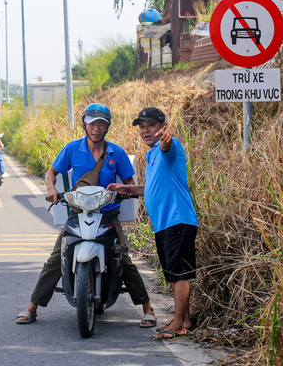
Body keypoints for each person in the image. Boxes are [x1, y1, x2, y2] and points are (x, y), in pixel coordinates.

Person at [15, 103, 157, 327]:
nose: (96, 128)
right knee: (56, 258)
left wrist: (125, 191)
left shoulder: (115, 153)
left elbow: (129, 182)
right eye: (92, 123)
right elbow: (52, 173)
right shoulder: (72, 149)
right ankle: (32, 307)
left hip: (108, 215)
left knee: (123, 259)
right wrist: (51, 189)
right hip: (77, 214)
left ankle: (147, 307)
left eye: (101, 124)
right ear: (84, 124)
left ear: (107, 127)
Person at [107, 107, 198, 340]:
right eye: (142, 127)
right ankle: (185, 318)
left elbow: (168, 147)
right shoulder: (152, 155)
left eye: (151, 126)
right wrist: (126, 188)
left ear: (162, 128)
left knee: (180, 274)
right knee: (173, 272)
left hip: (177, 219)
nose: (146, 130)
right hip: (165, 224)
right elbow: (152, 188)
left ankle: (178, 324)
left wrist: (166, 140)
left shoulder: (169, 147)